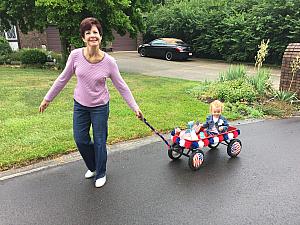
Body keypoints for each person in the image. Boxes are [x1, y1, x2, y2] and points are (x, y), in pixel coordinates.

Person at [39, 17, 143, 188]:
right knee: (80, 139)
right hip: (80, 105)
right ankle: (94, 166)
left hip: (100, 107)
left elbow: (121, 86)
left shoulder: (109, 62)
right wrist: (47, 98)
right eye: (88, 33)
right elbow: (62, 79)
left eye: (95, 32)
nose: (92, 36)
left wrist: (135, 107)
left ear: (100, 37)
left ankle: (101, 172)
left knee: (100, 141)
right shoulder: (75, 56)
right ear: (83, 37)